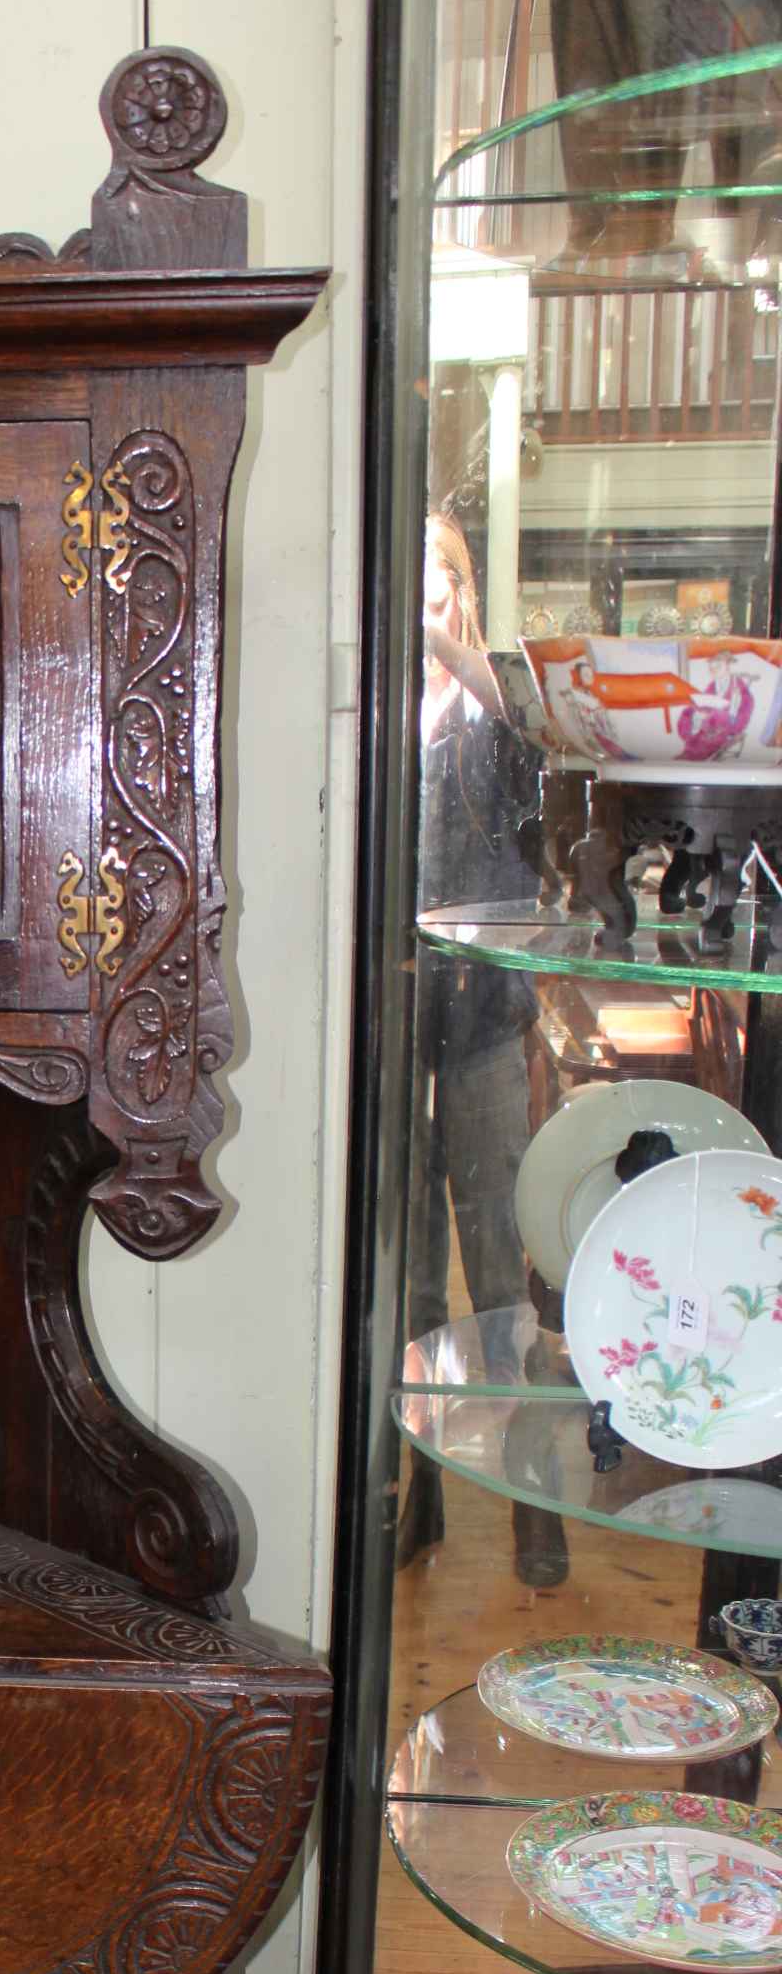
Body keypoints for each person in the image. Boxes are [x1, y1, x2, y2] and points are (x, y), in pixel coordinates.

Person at [401, 512, 568, 1588]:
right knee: (408, 1273)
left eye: (440, 586)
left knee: (501, 1269)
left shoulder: (493, 700)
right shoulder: (380, 714)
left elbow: (534, 745)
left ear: (463, 591)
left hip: (486, 1021)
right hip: (401, 1024)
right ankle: (418, 1499)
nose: (424, 608)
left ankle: (534, 1494)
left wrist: (446, 645)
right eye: (407, 591)